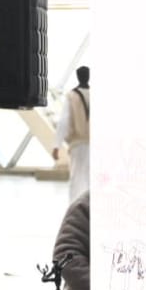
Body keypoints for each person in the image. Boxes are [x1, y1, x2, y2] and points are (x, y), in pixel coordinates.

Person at [54, 65, 90, 203]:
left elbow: (64, 121)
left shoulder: (72, 96)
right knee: (90, 177)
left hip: (77, 144)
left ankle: (75, 206)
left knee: (76, 177)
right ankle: (89, 207)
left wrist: (56, 145)